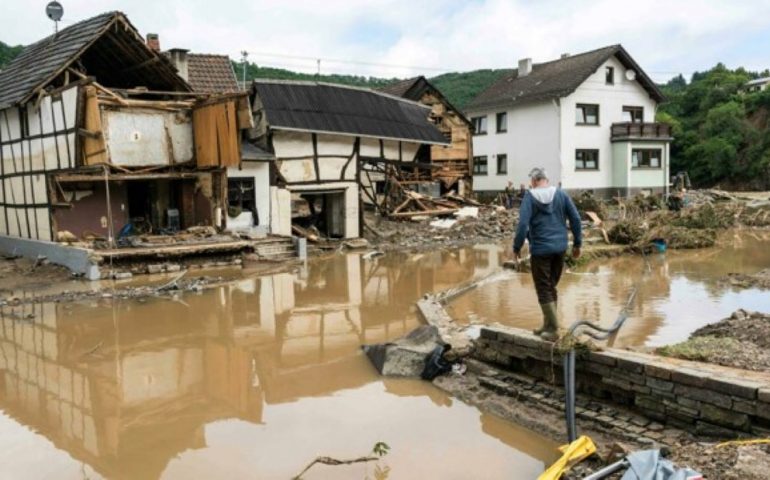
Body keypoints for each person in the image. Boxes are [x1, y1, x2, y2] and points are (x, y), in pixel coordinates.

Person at [513, 167, 582, 341]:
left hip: (541, 250)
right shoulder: (561, 194)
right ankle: (548, 324)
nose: (531, 184)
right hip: (560, 248)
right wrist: (577, 244)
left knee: (543, 288)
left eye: (531, 181)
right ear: (546, 179)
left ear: (535, 181)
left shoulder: (529, 197)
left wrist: (516, 247)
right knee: (551, 286)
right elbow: (575, 219)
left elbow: (522, 226)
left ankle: (553, 330)